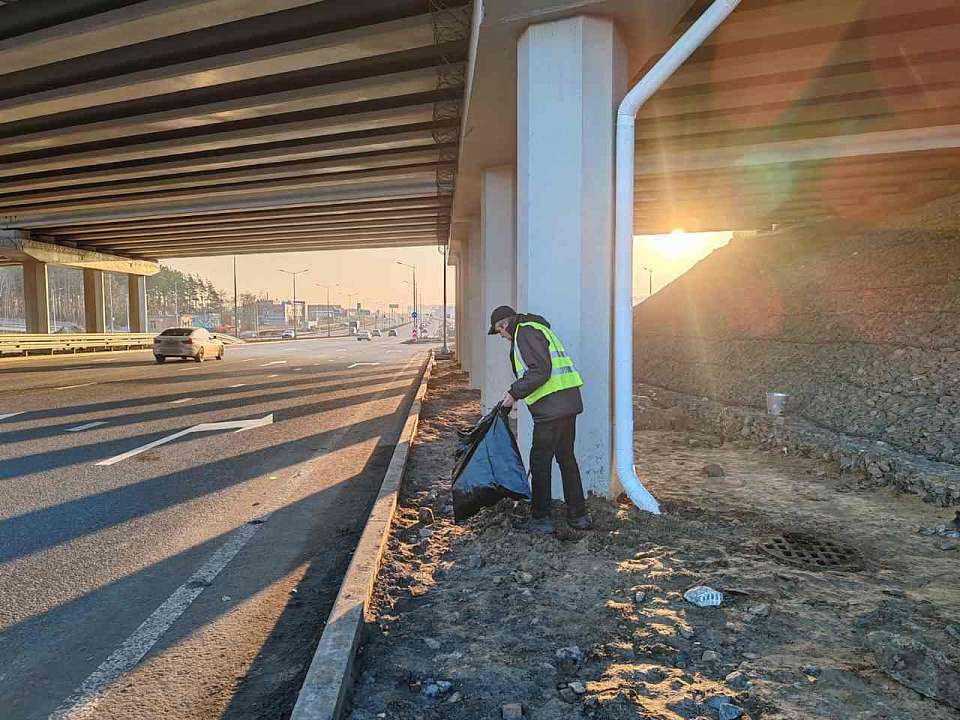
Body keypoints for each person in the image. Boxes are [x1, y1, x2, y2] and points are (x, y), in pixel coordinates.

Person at [488, 305, 591, 533]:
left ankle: (540, 519)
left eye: (499, 331)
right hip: (567, 403)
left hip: (551, 409)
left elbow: (540, 370)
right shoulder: (536, 328)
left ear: (505, 324)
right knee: (566, 458)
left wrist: (513, 393)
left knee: (540, 462)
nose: (502, 337)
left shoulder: (524, 332)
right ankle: (578, 516)